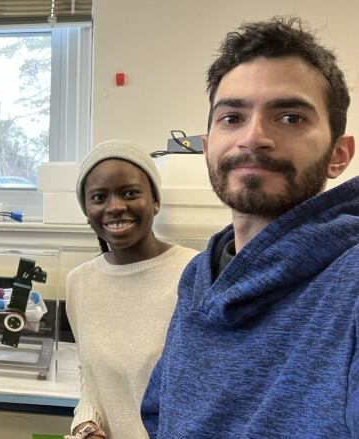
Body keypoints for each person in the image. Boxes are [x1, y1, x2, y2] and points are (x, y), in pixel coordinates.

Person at [141, 16, 358, 438]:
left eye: (291, 117)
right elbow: (160, 414)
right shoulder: (199, 275)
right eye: (232, 117)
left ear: (338, 154)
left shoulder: (350, 284)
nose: (254, 137)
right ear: (207, 148)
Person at [65, 139, 199, 439]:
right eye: (99, 197)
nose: (114, 207)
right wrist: (86, 426)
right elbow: (91, 378)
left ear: (155, 200)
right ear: (87, 210)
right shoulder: (79, 283)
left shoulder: (195, 273)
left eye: (130, 193)